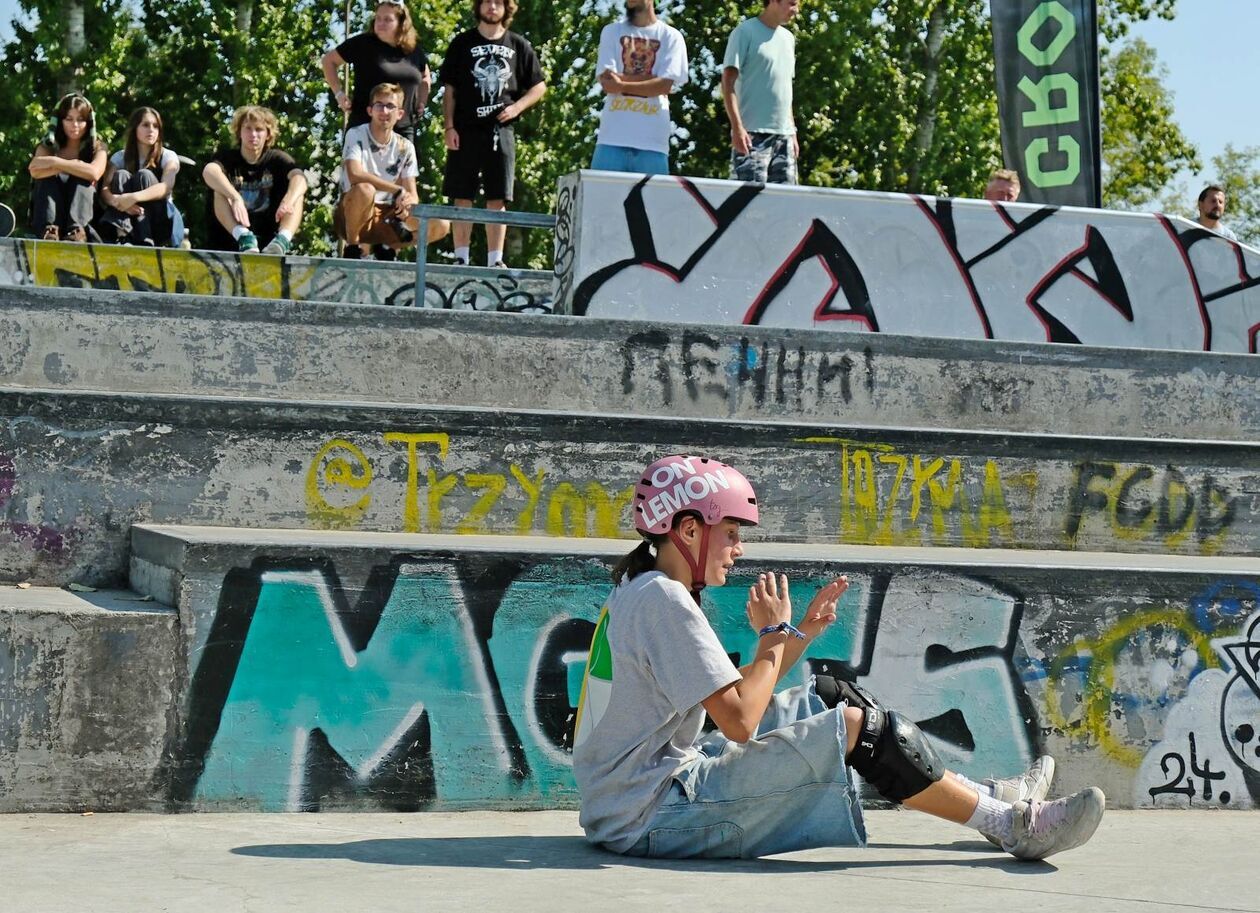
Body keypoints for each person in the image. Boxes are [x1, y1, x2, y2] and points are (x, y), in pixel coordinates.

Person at [572, 453, 1107, 861]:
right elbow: (738, 721)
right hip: (651, 812)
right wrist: (774, 634)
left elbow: (735, 698)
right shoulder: (664, 600)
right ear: (688, 530)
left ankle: (992, 795)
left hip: (633, 800)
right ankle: (1013, 825)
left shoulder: (644, 590)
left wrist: (796, 634)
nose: (739, 549)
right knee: (857, 728)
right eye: (730, 533)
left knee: (832, 697)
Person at [440, 0, 546, 267]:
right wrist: (449, 126)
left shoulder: (518, 44)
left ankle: (495, 260)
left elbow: (539, 86)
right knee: (462, 194)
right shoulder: (462, 43)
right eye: (486, 1)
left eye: (498, 2)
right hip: (464, 128)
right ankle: (460, 257)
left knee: (497, 196)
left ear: (507, 8)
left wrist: (518, 107)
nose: (491, 6)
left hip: (500, 129)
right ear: (478, 7)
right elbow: (449, 91)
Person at [334, 82, 449, 261]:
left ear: (400, 114)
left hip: (388, 216)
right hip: (354, 213)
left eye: (390, 106)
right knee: (365, 189)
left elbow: (412, 193)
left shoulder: (406, 147)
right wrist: (396, 190)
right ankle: (353, 248)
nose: (384, 111)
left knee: (441, 224)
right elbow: (354, 174)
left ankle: (389, 246)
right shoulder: (356, 134)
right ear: (370, 110)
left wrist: (406, 203)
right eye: (379, 105)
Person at [590, 0, 689, 176]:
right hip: (611, 140)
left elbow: (664, 85)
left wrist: (621, 84)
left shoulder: (671, 37)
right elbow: (607, 83)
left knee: (652, 203)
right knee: (602, 201)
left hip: (653, 144)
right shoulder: (612, 32)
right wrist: (651, 81)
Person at [202, 105, 308, 254]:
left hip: (268, 238)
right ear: (239, 132)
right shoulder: (226, 158)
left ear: (268, 134)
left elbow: (300, 178)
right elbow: (209, 172)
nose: (253, 134)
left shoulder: (278, 158)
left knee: (297, 193)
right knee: (219, 189)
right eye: (248, 128)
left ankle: (283, 240)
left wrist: (288, 200)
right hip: (231, 238)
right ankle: (243, 237)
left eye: (259, 129)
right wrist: (235, 197)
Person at [321, 0, 431, 144]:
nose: (380, 23)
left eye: (387, 19)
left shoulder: (413, 50)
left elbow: (425, 76)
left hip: (402, 131)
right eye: (378, 18)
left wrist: (422, 101)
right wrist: (339, 93)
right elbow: (328, 61)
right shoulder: (363, 44)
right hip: (365, 128)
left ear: (401, 22)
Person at [722, 0, 800, 185]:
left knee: (786, 206)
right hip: (752, 136)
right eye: (792, 4)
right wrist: (737, 128)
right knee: (750, 207)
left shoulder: (789, 38)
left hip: (785, 138)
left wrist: (793, 132)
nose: (796, 11)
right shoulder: (744, 32)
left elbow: (784, 89)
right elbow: (727, 83)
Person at [97, 107, 185, 247]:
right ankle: (123, 236)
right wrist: (119, 202)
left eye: (155, 126)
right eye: (145, 125)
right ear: (135, 128)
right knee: (121, 175)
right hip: (127, 218)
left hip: (159, 222)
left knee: (144, 175)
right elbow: (104, 189)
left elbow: (166, 187)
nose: (151, 130)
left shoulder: (168, 156)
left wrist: (133, 197)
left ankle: (146, 239)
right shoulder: (120, 157)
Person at [28, 93, 108, 242]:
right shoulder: (48, 146)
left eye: (80, 120)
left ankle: (76, 231)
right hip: (49, 217)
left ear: (89, 122)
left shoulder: (98, 147)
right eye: (69, 119)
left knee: (82, 176)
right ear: (60, 120)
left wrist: (55, 163)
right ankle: (50, 229)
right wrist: (76, 165)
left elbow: (94, 173)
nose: (75, 125)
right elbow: (34, 170)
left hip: (85, 219)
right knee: (47, 178)